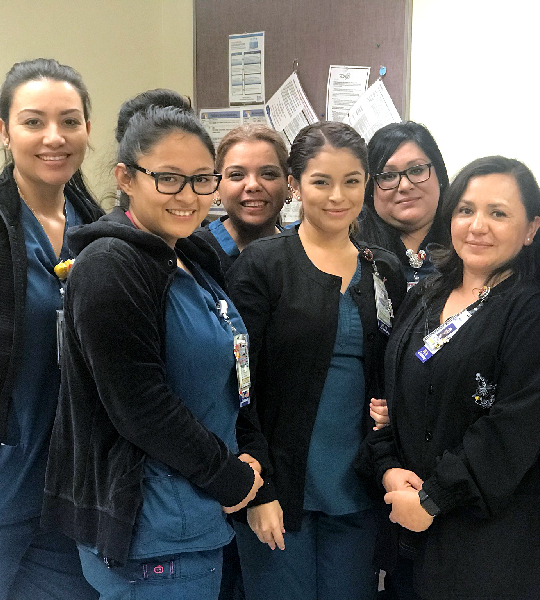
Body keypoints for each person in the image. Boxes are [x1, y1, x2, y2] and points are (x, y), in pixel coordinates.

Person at [41, 90, 264, 599]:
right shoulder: (111, 267)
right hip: (152, 533)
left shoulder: (190, 256)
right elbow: (138, 403)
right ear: (126, 178)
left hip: (195, 513)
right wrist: (228, 477)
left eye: (202, 180)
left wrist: (246, 458)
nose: (188, 195)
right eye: (167, 178)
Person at [366, 156, 540, 600]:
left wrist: (433, 498)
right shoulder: (424, 294)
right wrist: (388, 470)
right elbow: (387, 400)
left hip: (487, 552)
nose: (477, 225)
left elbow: (510, 431)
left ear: (531, 229)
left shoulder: (534, 314)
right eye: (465, 210)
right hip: (411, 536)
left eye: (498, 213)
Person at [226, 121, 406, 600]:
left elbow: (396, 370)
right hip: (280, 489)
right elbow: (238, 386)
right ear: (295, 185)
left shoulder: (383, 269)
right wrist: (257, 489)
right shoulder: (263, 266)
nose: (337, 196)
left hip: (358, 489)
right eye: (321, 182)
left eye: (352, 181)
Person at [0, 58, 103, 600]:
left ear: (87, 131)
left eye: (70, 121)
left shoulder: (99, 229)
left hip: (73, 493)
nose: (54, 137)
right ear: (4, 131)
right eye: (33, 121)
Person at [356, 122, 449, 287]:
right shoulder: (349, 247)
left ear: (439, 175)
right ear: (370, 188)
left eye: (417, 170)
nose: (405, 186)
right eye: (388, 176)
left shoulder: (467, 242)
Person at [193, 124, 290, 274]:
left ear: (289, 185)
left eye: (268, 174)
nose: (253, 185)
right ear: (216, 187)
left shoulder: (304, 253)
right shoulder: (193, 253)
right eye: (236, 175)